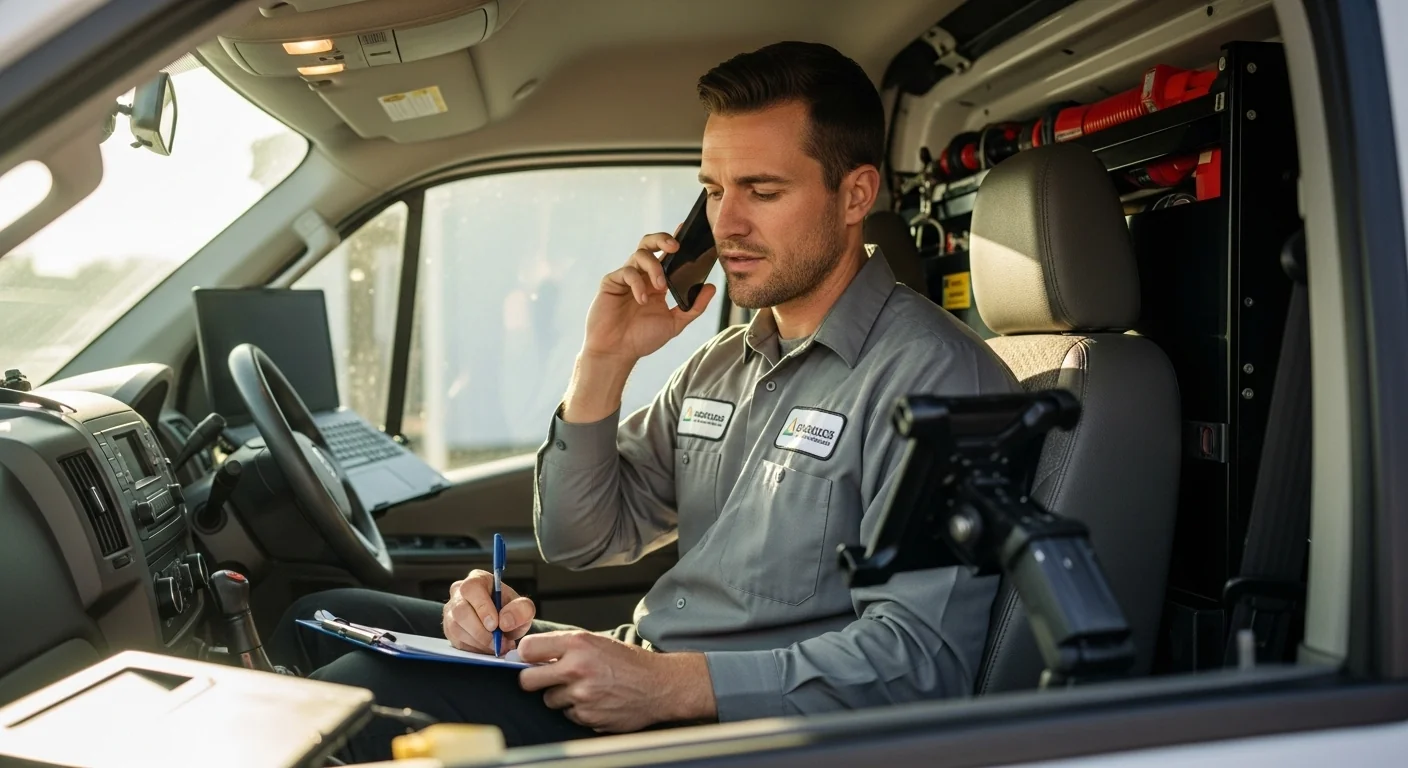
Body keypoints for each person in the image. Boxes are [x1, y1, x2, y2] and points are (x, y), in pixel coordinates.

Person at [267, 40, 1018, 762]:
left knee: (342, 708)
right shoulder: (725, 362)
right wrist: (605, 359)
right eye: (714, 190)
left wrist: (669, 686)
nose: (726, 225)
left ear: (855, 194)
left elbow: (924, 660)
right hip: (649, 679)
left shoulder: (938, 379)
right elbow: (581, 539)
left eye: (762, 190)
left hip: (732, 731)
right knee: (324, 617)